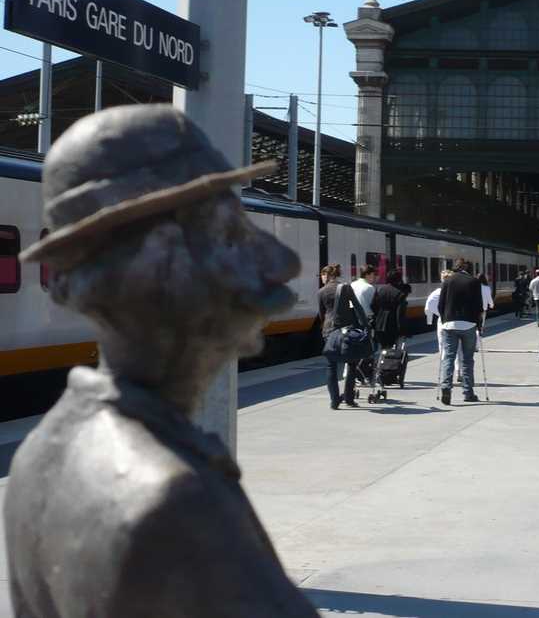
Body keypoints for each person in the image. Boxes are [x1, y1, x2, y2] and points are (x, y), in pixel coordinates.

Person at [7, 104, 318, 616]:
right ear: (156, 263)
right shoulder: (172, 503)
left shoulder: (38, 454)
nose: (281, 264)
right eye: (231, 237)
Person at [319, 264, 370, 409]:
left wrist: (326, 330)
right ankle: (348, 398)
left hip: (329, 332)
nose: (321, 278)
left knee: (331, 366)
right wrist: (366, 326)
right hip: (348, 331)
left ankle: (334, 401)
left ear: (327, 275)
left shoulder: (321, 292)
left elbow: (322, 314)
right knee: (352, 364)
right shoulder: (346, 288)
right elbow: (358, 308)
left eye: (322, 275)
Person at [437, 259, 485, 405]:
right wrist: (479, 325)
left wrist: (445, 320)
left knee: (448, 358)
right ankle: (468, 393)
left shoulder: (447, 281)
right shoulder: (474, 282)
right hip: (469, 325)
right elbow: (479, 306)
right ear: (467, 268)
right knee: (467, 359)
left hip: (449, 325)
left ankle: (446, 388)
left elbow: (441, 304)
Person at [426, 269, 459, 381]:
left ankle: (446, 375)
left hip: (443, 322)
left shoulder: (437, 292)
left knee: (443, 348)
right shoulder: (458, 291)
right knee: (457, 348)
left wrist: (438, 314)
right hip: (456, 321)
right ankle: (458, 372)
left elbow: (428, 306)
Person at [372, 269, 410, 350]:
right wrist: (402, 331)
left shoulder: (380, 290)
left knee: (383, 347)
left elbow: (373, 305)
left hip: (380, 323)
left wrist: (379, 315)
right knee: (392, 349)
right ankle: (389, 362)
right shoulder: (400, 294)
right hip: (393, 325)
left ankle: (382, 361)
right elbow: (400, 314)